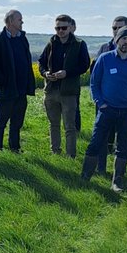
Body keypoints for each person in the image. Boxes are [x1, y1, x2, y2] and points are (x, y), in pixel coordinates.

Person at [81, 26, 127, 193]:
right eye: (123, 38)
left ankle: (117, 182)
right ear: (117, 40)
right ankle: (85, 177)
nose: (126, 42)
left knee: (123, 146)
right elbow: (94, 83)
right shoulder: (104, 59)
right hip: (106, 109)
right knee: (96, 142)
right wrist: (100, 102)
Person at [94, 15, 127, 173]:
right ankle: (100, 168)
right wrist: (100, 101)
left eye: (119, 28)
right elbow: (95, 73)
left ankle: (121, 171)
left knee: (124, 136)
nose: (115, 31)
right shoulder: (104, 48)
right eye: (114, 28)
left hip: (126, 104)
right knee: (101, 136)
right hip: (104, 102)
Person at [38, 15, 90, 157]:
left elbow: (84, 65)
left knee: (69, 127)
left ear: (70, 27)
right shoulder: (51, 43)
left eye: (63, 28)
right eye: (57, 28)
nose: (60, 31)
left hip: (69, 92)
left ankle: (70, 155)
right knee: (53, 124)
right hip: (51, 90)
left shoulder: (79, 44)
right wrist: (45, 73)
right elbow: (41, 62)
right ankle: (55, 152)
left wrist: (67, 73)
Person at [0, 9, 36, 152]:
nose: (22, 22)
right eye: (20, 20)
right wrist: (3, 82)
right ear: (11, 21)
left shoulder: (22, 38)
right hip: (7, 89)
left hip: (21, 89)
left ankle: (15, 147)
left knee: (17, 121)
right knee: (1, 120)